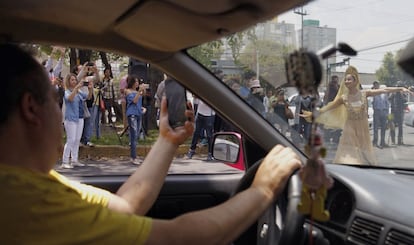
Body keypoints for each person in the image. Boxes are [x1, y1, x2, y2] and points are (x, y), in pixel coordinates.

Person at [0, 43, 302, 244]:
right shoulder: (26, 201)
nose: (61, 108)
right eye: (55, 101)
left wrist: (167, 143)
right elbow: (175, 239)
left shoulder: (34, 185)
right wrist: (263, 189)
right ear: (31, 108)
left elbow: (125, 207)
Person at [302, 66, 412, 165]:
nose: (346, 81)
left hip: (363, 130)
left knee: (363, 156)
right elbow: (327, 108)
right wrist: (312, 114)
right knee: (351, 157)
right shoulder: (343, 98)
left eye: (349, 79)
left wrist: (400, 89)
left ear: (355, 81)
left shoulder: (365, 93)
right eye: (345, 79)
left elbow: (384, 90)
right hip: (349, 130)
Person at [61, 72, 93, 168]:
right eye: (72, 80)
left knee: (77, 139)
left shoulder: (79, 92)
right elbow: (70, 99)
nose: (74, 81)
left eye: (75, 80)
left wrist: (90, 89)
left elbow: (88, 97)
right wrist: (76, 88)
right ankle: (65, 161)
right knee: (71, 139)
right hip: (70, 118)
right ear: (68, 81)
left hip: (80, 117)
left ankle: (74, 159)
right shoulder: (67, 91)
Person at [125, 75, 145, 165]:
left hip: (138, 113)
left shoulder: (138, 91)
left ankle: (134, 155)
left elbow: (140, 101)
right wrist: (139, 91)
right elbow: (134, 101)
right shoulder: (128, 91)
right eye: (136, 82)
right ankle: (133, 157)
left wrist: (142, 108)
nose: (137, 83)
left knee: (136, 135)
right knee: (134, 134)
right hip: (132, 114)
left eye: (138, 82)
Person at [323, 75, 341, 144]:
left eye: (336, 80)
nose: (335, 82)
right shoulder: (330, 87)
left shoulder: (338, 87)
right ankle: (328, 137)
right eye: (334, 80)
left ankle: (335, 138)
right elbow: (326, 96)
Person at [371, 81, 389, 149]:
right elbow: (371, 102)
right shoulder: (373, 94)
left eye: (377, 84)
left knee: (383, 128)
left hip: (384, 111)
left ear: (379, 85)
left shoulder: (383, 93)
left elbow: (387, 103)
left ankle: (382, 141)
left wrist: (388, 113)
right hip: (377, 111)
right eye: (375, 85)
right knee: (376, 128)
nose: (376, 86)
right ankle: (375, 142)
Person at [389, 81, 408, 145]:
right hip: (392, 112)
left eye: (399, 86)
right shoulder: (393, 93)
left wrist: (402, 94)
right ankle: (393, 141)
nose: (398, 88)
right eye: (397, 86)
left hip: (400, 112)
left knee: (400, 127)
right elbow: (388, 99)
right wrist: (392, 94)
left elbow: (405, 100)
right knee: (392, 126)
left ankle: (400, 141)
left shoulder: (402, 94)